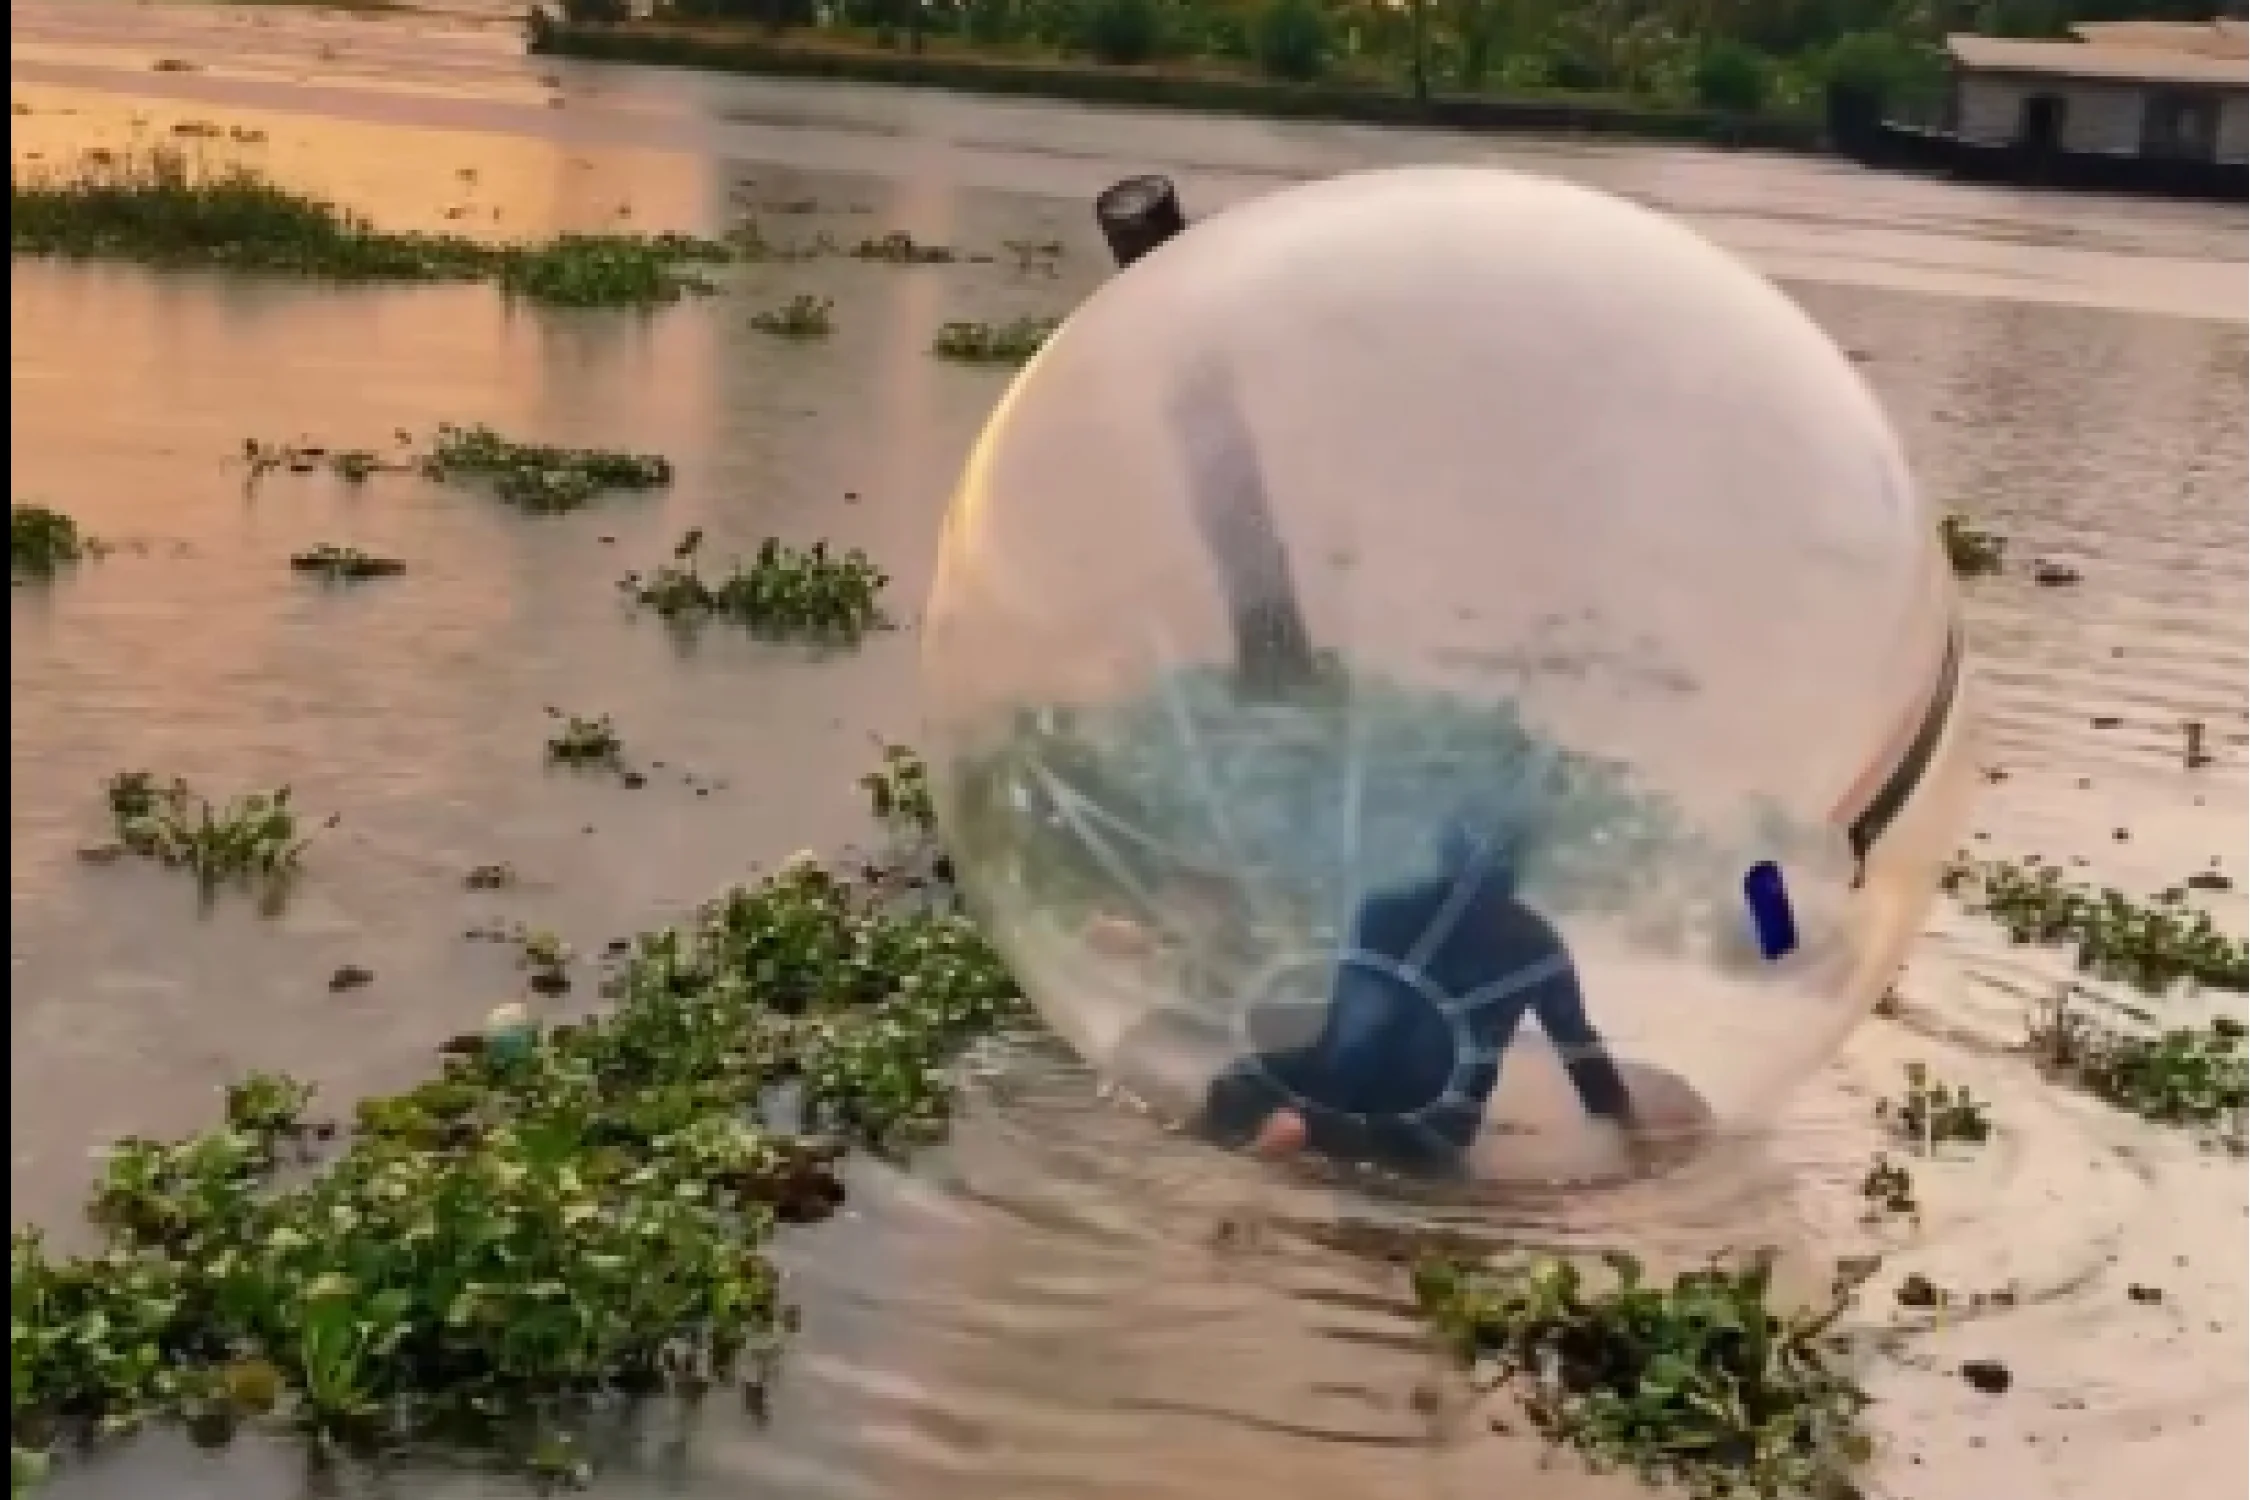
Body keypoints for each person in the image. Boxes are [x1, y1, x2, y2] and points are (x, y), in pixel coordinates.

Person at [1192, 820, 1653, 1179]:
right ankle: (1309, 1127)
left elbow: (1353, 1019)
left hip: (1341, 1076)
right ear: (1516, 865)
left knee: (1235, 1085)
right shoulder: (1538, 944)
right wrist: (1631, 1129)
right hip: (1437, 1122)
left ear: (1444, 852)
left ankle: (1285, 1130)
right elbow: (1580, 1052)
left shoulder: (1384, 906)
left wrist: (1315, 1099)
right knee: (1410, 1147)